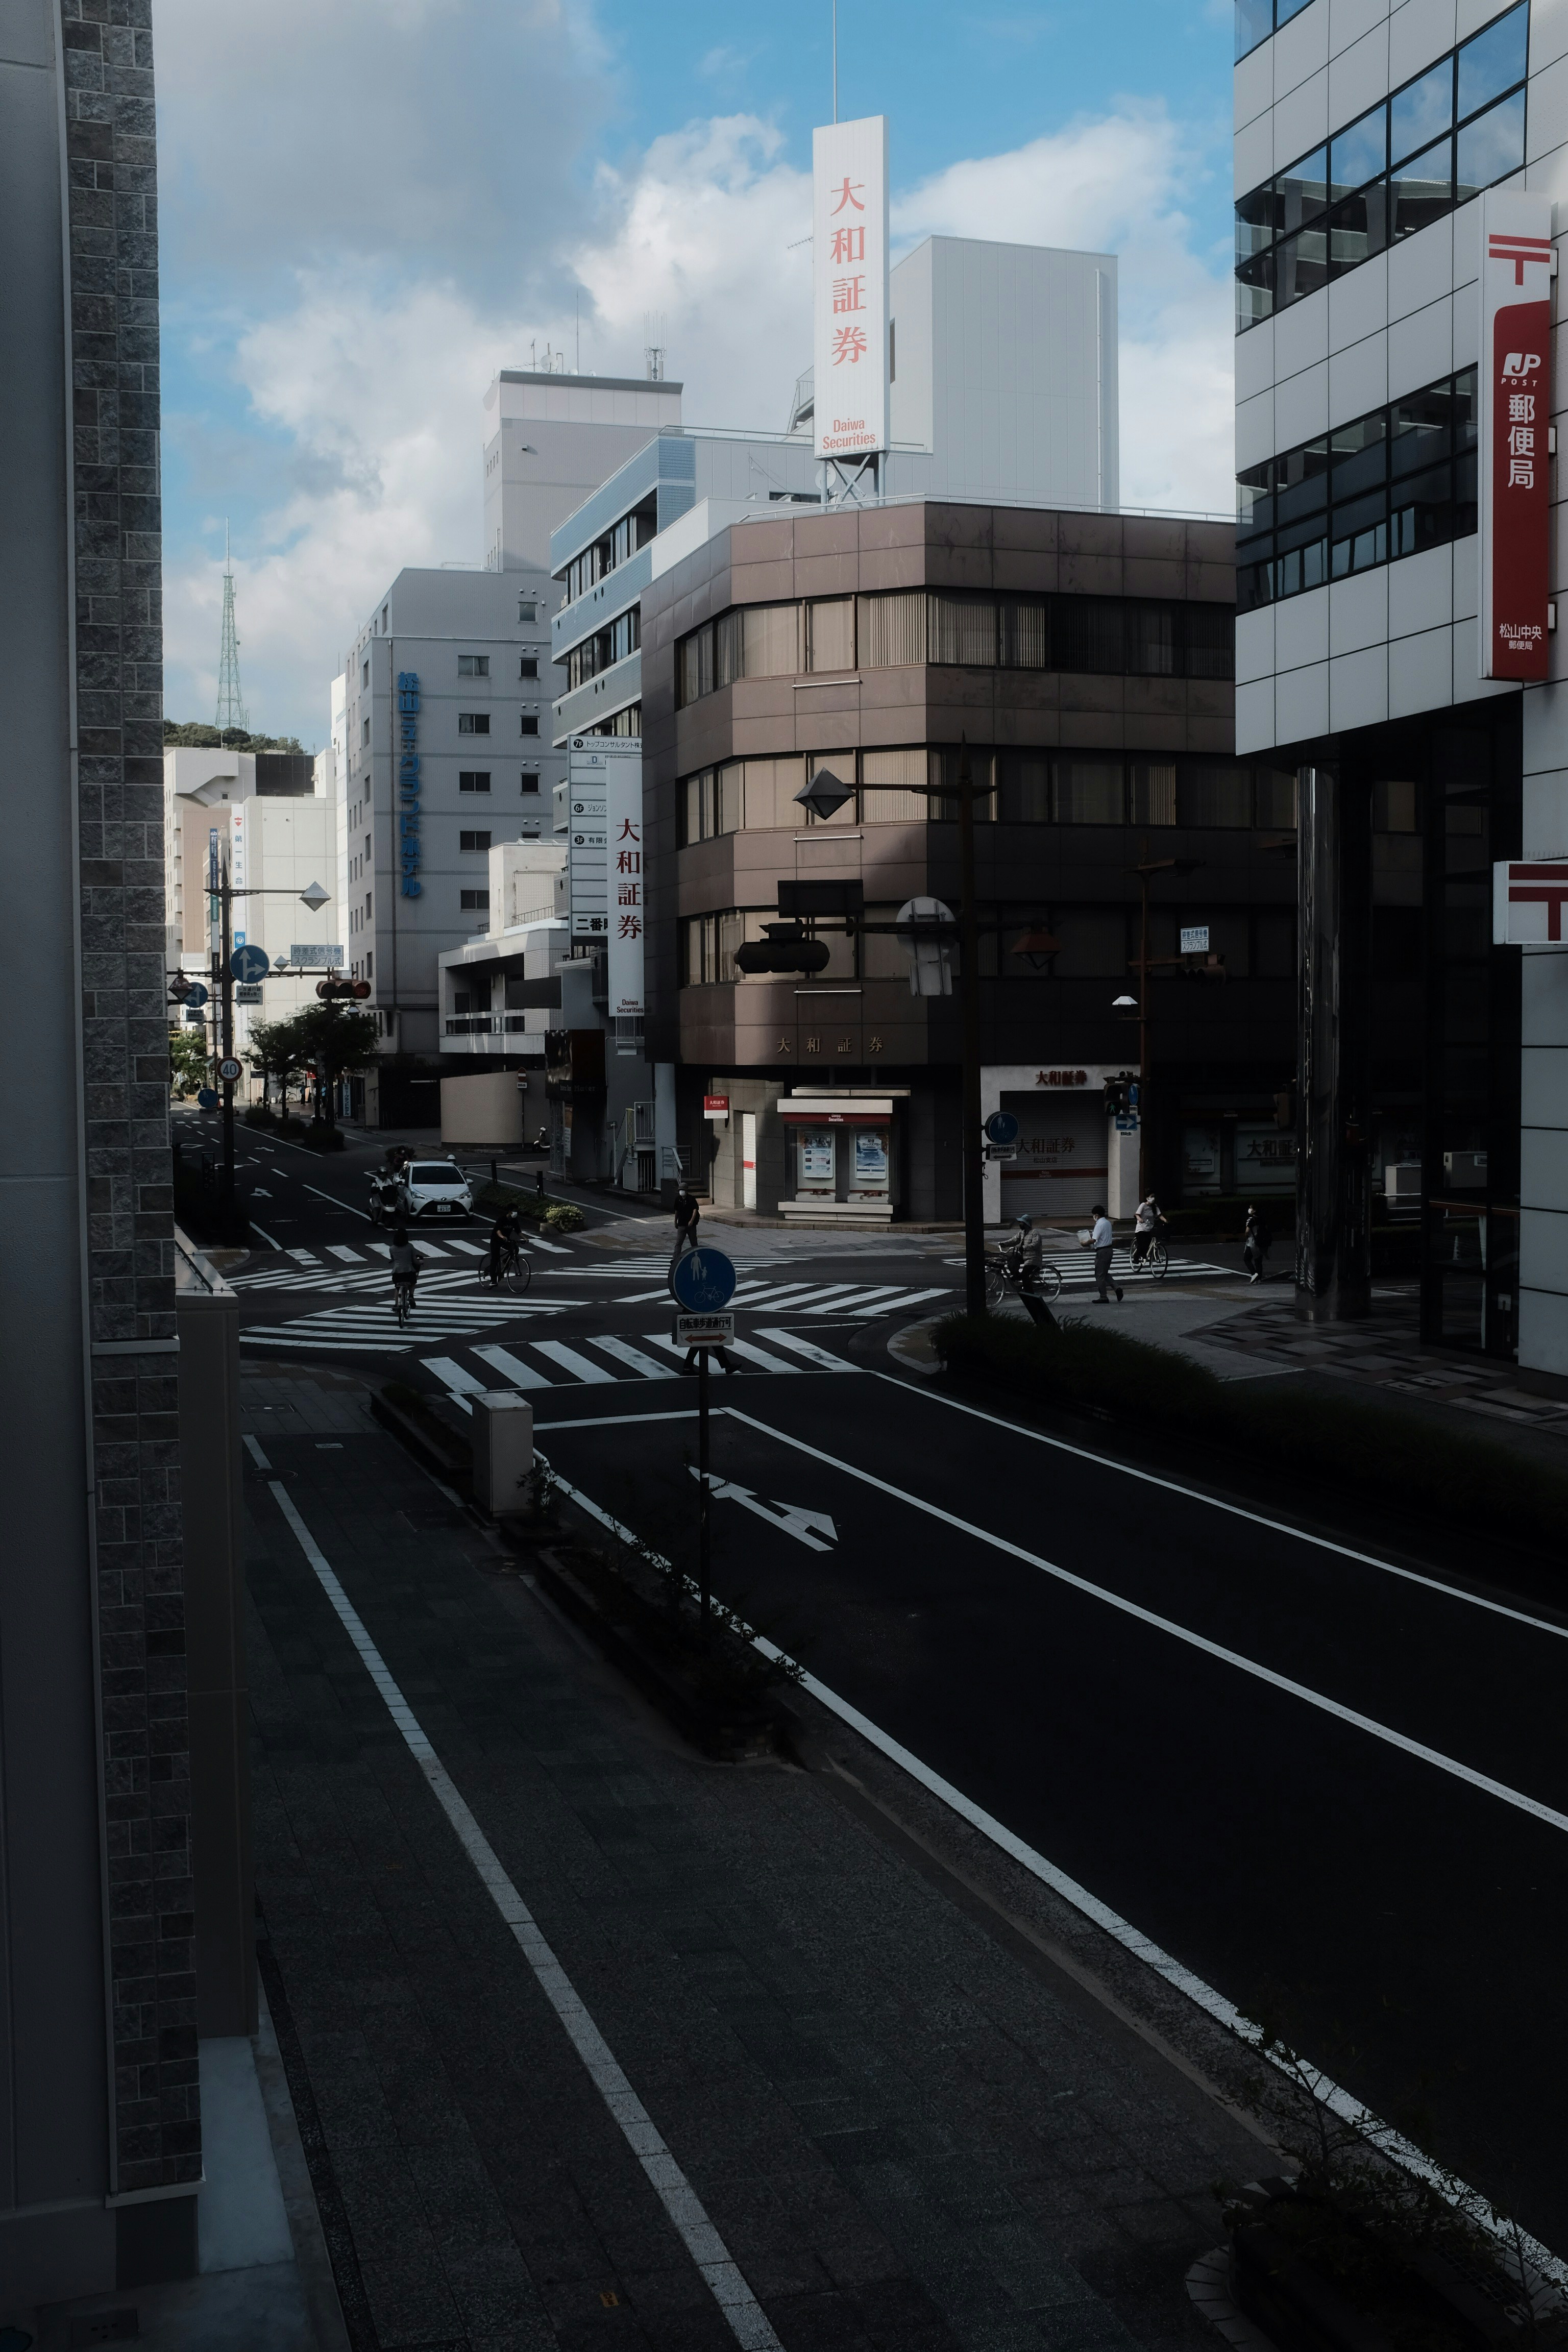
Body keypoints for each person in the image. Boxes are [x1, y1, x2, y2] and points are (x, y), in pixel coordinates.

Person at [1085, 1202, 1122, 1304]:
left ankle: (1103, 1297)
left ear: (1097, 1215)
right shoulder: (1107, 1223)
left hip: (1102, 1252)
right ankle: (1117, 1288)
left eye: (1094, 1215)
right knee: (1104, 1273)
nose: (1093, 1217)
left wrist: (1084, 1243)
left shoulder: (1099, 1225)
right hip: (1109, 1250)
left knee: (1099, 1275)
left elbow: (1093, 1240)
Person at [669, 1184, 701, 1282]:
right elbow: (677, 1211)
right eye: (680, 1190)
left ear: (686, 1191)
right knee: (679, 1243)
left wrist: (692, 1220)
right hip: (682, 1225)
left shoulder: (691, 1199)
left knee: (693, 1243)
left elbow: (695, 1210)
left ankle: (698, 1256)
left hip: (691, 1225)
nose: (681, 1192)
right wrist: (675, 1221)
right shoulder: (678, 1199)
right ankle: (675, 1259)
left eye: (683, 1190)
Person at [486, 1202, 524, 1281]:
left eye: (517, 1211)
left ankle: (506, 1261)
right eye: (514, 1211)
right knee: (495, 1259)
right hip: (496, 1240)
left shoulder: (514, 1220)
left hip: (505, 1239)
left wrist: (525, 1238)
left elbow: (518, 1231)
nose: (516, 1213)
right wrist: (502, 1237)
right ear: (510, 1212)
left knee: (515, 1249)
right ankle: (493, 1280)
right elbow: (498, 1231)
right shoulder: (502, 1219)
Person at [388, 1224, 419, 1311]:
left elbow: (393, 1259)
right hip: (408, 1272)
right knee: (413, 1282)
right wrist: (420, 1262)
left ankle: (396, 1304)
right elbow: (415, 1261)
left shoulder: (392, 1248)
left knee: (397, 1286)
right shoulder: (410, 1247)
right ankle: (411, 1296)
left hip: (397, 1274)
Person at [1243, 1204, 1270, 1284]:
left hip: (1252, 1242)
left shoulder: (1251, 1220)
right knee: (1258, 1261)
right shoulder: (1262, 1219)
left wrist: (1246, 1236)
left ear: (1254, 1211)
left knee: (1247, 1259)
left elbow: (1247, 1231)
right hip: (1262, 1242)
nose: (1250, 1209)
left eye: (1251, 1208)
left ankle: (1254, 1274)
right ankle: (1259, 1279)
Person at [1130, 1194, 1159, 1268]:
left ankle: (1145, 1256)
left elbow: (1160, 1215)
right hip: (1141, 1227)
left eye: (1154, 1197)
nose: (1153, 1198)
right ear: (1147, 1198)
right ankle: (1136, 1258)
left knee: (1148, 1244)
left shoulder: (1154, 1207)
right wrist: (1140, 1219)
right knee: (1141, 1243)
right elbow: (1137, 1214)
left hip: (1150, 1228)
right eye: (1151, 1197)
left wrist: (1165, 1220)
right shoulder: (1143, 1205)